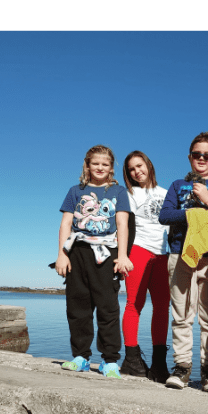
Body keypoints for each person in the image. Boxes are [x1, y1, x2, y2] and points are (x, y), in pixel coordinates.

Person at [159, 132, 208, 393]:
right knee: (181, 314)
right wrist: (193, 213)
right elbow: (164, 216)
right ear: (190, 157)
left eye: (207, 155)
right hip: (181, 253)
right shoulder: (177, 185)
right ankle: (181, 368)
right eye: (197, 155)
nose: (202, 159)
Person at [55, 145, 133, 379]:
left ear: (111, 168)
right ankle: (81, 357)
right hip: (77, 251)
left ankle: (110, 360)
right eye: (95, 163)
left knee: (108, 307)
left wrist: (122, 255)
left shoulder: (118, 192)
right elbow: (66, 224)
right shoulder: (75, 191)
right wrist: (61, 254)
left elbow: (122, 224)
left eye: (105, 164)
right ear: (87, 165)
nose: (100, 167)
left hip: (106, 253)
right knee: (78, 306)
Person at [119, 151, 171, 382]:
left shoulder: (166, 192)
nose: (137, 171)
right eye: (131, 169)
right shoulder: (128, 194)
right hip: (138, 250)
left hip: (163, 254)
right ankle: (131, 359)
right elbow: (122, 226)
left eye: (139, 166)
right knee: (134, 304)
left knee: (162, 306)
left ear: (148, 165)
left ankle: (159, 363)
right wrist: (123, 256)